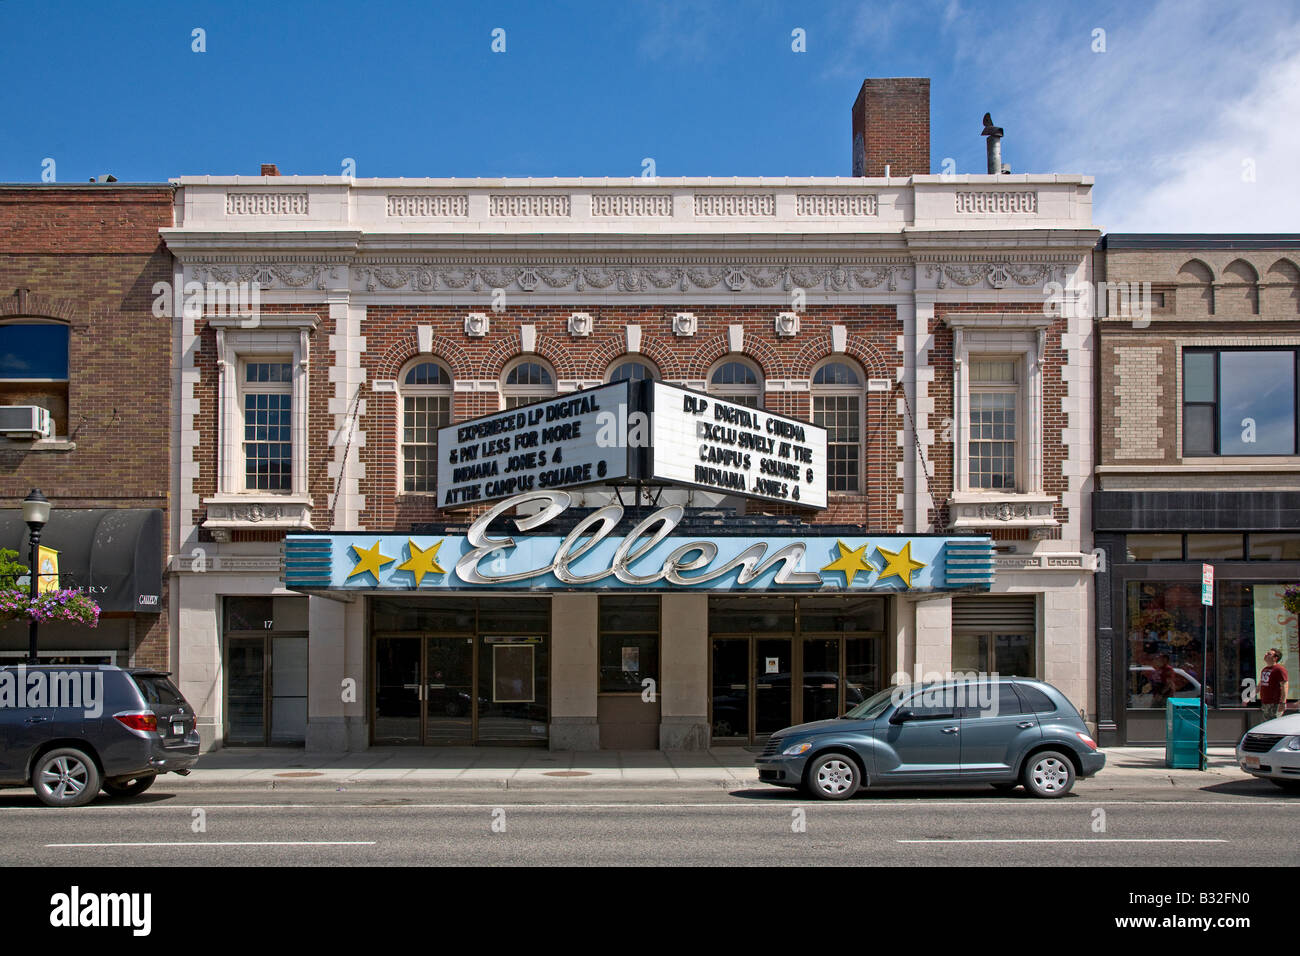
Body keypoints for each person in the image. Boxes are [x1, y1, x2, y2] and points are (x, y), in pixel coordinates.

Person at [1259, 648, 1290, 721]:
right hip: (1265, 704)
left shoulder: (1279, 669)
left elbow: (1285, 686)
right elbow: (1261, 684)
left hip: (1275, 704)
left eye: (1269, 654)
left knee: (1274, 725)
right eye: (1266, 653)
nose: (1265, 655)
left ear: (1275, 658)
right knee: (1266, 726)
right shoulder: (1265, 669)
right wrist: (1248, 697)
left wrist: (1282, 703)